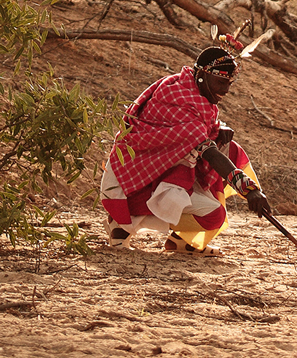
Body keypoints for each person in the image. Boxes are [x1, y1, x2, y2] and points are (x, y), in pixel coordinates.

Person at [100, 41, 271, 256]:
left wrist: (218, 130)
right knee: (214, 213)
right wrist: (250, 190)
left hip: (162, 174)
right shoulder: (178, 100)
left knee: (230, 149)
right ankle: (122, 224)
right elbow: (208, 152)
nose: (226, 90)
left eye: (229, 83)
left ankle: (183, 242)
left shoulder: (187, 90)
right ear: (201, 76)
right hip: (130, 182)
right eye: (220, 82)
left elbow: (202, 135)